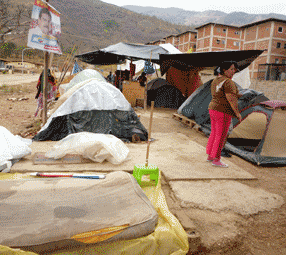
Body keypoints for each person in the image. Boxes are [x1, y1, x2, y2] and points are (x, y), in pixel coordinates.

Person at [206, 61, 242, 168]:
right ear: (224, 70)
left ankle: (210, 156)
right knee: (221, 135)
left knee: (214, 133)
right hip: (223, 111)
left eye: (234, 69)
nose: (233, 71)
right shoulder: (229, 82)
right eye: (231, 69)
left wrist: (237, 94)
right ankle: (216, 159)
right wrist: (237, 113)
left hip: (213, 108)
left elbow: (220, 94)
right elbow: (231, 100)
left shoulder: (216, 80)